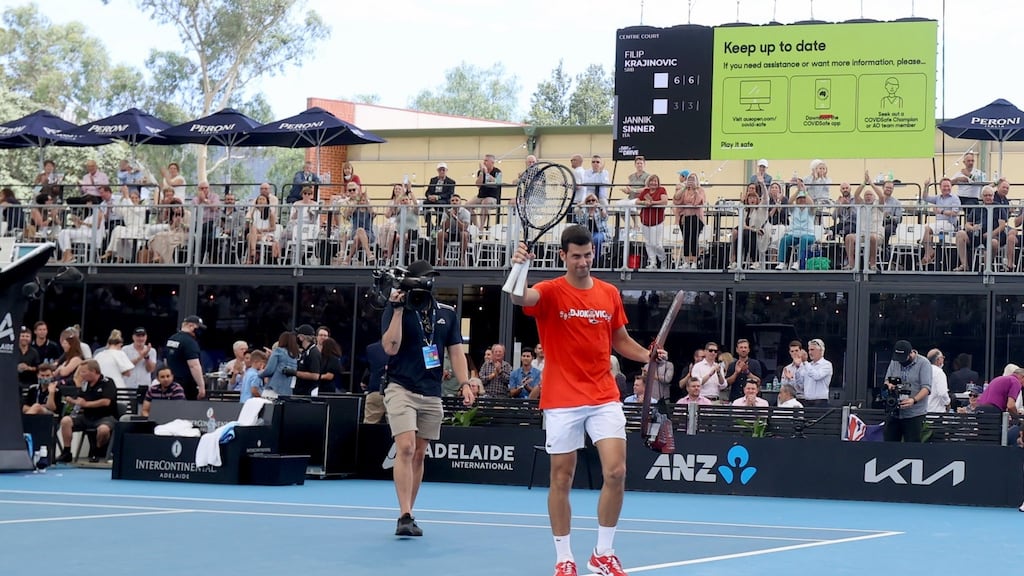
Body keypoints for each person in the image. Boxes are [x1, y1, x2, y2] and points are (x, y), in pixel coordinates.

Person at [509, 224, 666, 576]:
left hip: (603, 396)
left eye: (588, 255)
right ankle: (565, 558)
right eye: (576, 256)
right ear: (563, 256)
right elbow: (520, 299)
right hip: (562, 398)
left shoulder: (608, 293)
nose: (583, 262)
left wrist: (647, 356)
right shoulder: (549, 291)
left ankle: (603, 554)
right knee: (562, 478)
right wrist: (518, 266)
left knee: (616, 471)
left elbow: (620, 339)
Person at [381, 259, 474, 537]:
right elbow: (390, 347)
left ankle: (410, 511)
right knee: (406, 447)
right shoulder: (395, 306)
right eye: (423, 278)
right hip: (401, 387)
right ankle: (404, 514)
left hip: (431, 391)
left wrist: (466, 383)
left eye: (431, 278)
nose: (428, 282)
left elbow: (456, 352)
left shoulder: (447, 313)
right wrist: (397, 310)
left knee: (420, 453)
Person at [57, 360, 118, 463]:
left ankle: (96, 451)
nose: (81, 374)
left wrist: (86, 404)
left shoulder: (107, 382)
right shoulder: (85, 384)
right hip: (87, 416)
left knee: (103, 430)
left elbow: (106, 401)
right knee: (66, 421)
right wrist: (73, 401)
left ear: (93, 371)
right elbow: (81, 401)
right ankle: (66, 452)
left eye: (83, 372)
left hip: (105, 416)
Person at [883, 340, 932, 442]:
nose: (900, 361)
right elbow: (887, 380)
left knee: (912, 447)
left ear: (910, 353)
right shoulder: (894, 361)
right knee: (889, 445)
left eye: (902, 358)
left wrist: (913, 400)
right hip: (895, 411)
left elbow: (926, 388)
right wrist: (889, 385)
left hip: (914, 414)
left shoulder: (924, 363)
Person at [164, 315, 207, 400]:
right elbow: (194, 366)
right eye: (198, 328)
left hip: (171, 383)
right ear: (191, 326)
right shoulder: (190, 342)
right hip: (186, 385)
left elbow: (166, 361)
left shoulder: (172, 339)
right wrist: (201, 386)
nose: (200, 331)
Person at [261, 331, 299, 397]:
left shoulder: (278, 351)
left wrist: (260, 374)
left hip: (274, 389)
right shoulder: (295, 356)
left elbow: (269, 370)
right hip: (287, 391)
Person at [362, 342, 388, 424]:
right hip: (398, 394)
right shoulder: (405, 347)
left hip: (375, 390)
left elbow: (368, 368)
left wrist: (364, 381)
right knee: (397, 429)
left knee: (369, 426)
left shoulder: (371, 348)